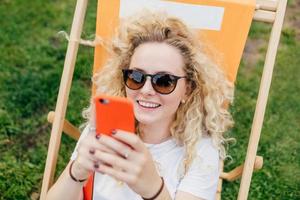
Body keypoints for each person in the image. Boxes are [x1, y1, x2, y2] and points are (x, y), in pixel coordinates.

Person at [45, 10, 234, 200]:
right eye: (136, 77)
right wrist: (76, 172)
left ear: (187, 89)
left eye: (164, 81)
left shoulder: (199, 152)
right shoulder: (104, 130)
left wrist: (153, 189)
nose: (146, 90)